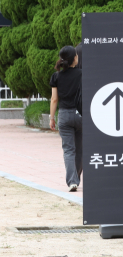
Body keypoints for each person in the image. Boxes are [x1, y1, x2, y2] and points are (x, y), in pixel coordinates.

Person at [49, 46, 82, 192]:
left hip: (64, 115)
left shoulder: (56, 76)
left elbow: (54, 99)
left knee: (68, 150)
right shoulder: (83, 74)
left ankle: (72, 181)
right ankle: (77, 179)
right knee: (80, 149)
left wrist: (51, 118)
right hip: (81, 115)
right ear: (75, 58)